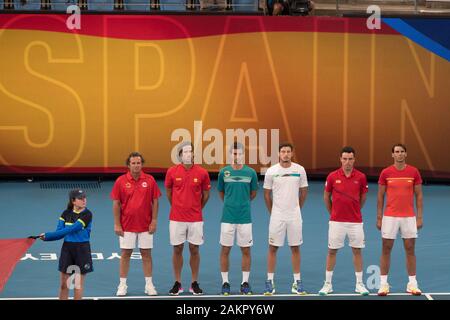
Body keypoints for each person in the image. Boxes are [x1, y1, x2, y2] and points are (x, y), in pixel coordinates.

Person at [318, 146, 370, 296]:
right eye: (345, 159)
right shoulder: (332, 176)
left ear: (354, 160)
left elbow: (363, 197)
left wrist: (355, 211)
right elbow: (326, 197)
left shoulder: (361, 177)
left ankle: (359, 284)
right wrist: (334, 212)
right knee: (332, 251)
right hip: (336, 222)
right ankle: (328, 284)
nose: (347, 162)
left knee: (357, 251)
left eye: (350, 159)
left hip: (355, 222)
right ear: (340, 159)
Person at [111, 152, 161, 296]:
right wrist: (117, 224)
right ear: (128, 165)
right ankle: (122, 285)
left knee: (146, 254)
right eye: (133, 163)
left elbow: (155, 201)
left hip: (146, 225)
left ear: (142, 164)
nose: (136, 165)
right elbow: (116, 203)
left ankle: (149, 285)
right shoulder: (120, 181)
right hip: (126, 225)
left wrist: (154, 221)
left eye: (138, 163)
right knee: (126, 254)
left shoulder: (150, 180)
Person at [377, 143, 423, 296]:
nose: (399, 154)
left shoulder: (414, 172)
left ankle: (412, 284)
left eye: (402, 151)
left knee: (410, 249)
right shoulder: (385, 173)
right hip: (389, 216)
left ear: (405, 154)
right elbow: (380, 196)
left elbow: (419, 195)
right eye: (397, 151)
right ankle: (383, 284)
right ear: (393, 155)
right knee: (386, 249)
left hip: (409, 217)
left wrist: (419, 217)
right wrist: (379, 217)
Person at [165, 142, 211, 295]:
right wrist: (178, 207)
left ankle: (194, 282)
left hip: (195, 219)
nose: (188, 154)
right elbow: (169, 193)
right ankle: (177, 283)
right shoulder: (171, 171)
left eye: (190, 151)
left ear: (193, 154)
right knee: (177, 249)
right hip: (177, 218)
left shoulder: (202, 173)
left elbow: (206, 195)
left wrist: (196, 209)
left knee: (194, 249)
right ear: (180, 155)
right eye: (185, 152)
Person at [263, 142, 308, 295]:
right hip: (277, 216)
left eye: (288, 151)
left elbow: (303, 192)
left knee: (295, 247)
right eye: (283, 151)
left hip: (294, 216)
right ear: (279, 154)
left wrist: (296, 209)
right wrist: (274, 211)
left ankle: (297, 282)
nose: (286, 154)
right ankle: (269, 281)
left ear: (292, 153)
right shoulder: (271, 171)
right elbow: (266, 195)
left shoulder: (300, 170)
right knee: (273, 248)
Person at [218, 142, 258, 296]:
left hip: (245, 217)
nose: (237, 156)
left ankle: (245, 283)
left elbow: (253, 193)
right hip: (227, 217)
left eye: (239, 153)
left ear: (243, 155)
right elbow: (222, 193)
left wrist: (242, 203)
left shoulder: (251, 173)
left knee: (245, 250)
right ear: (230, 155)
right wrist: (231, 203)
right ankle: (225, 283)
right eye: (234, 153)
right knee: (225, 250)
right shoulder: (223, 172)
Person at [37, 189, 93, 300]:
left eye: (84, 198)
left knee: (77, 285)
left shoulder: (87, 214)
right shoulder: (65, 214)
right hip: (67, 250)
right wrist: (47, 238)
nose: (84, 200)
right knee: (64, 285)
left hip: (82, 250)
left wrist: (48, 235)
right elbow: (59, 233)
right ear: (73, 201)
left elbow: (71, 229)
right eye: (80, 198)